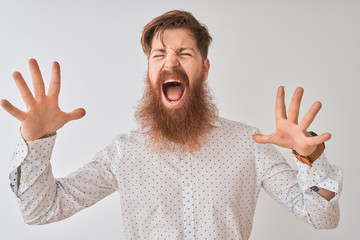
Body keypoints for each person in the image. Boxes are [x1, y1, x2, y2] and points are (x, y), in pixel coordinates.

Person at [1, 10, 342, 240]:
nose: (171, 62)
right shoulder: (123, 152)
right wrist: (37, 143)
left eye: (184, 53)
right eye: (159, 55)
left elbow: (322, 218)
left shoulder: (248, 143)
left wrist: (311, 158)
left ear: (204, 69)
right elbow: (40, 211)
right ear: (150, 71)